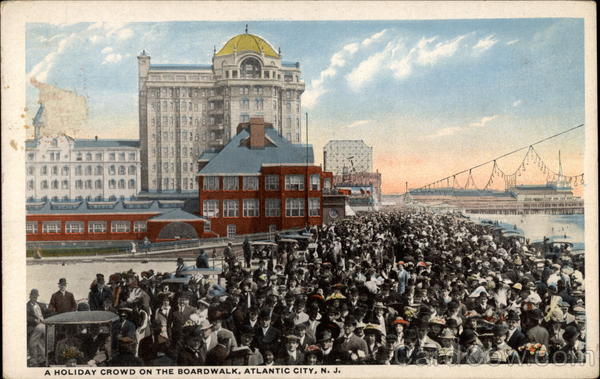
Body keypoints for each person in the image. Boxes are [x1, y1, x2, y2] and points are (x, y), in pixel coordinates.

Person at [27, 289, 46, 366]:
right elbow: (26, 317)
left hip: (43, 325)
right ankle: (37, 360)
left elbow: (47, 312)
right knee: (34, 343)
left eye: (36, 296)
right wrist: (35, 320)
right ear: (30, 296)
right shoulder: (27, 306)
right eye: (33, 296)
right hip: (34, 326)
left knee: (37, 343)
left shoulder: (40, 305)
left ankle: (39, 360)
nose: (35, 298)